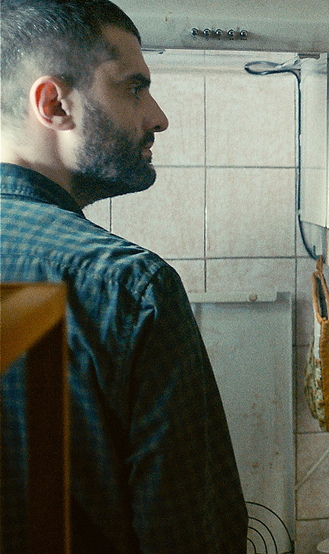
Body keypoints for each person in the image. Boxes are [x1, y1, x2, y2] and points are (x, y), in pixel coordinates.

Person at [0, 1, 248, 552]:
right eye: (134, 87)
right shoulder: (129, 286)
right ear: (53, 104)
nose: (158, 117)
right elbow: (195, 538)